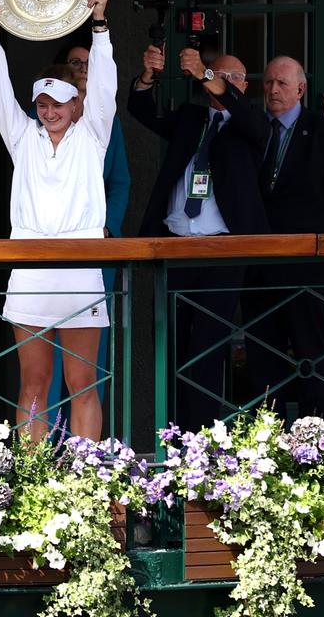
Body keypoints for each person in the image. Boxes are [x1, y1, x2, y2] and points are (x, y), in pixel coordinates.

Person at [0, 0, 115, 441]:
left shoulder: (94, 135)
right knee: (33, 383)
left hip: (80, 270)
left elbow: (105, 88)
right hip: (31, 270)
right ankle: (34, 483)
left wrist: (100, 27)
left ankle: (86, 481)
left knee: (82, 385)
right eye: (42, 103)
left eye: (58, 103)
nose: (49, 111)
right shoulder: (23, 138)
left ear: (76, 104)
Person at [127, 45, 268, 431]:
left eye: (233, 78)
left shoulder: (250, 124)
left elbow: (250, 121)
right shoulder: (191, 117)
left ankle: (200, 440)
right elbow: (141, 110)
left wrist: (207, 73)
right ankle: (172, 437)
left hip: (222, 252)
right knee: (172, 346)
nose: (226, 82)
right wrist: (147, 77)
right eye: (222, 75)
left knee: (206, 349)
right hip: (175, 246)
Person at [218, 55, 324, 418]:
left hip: (306, 265)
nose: (273, 90)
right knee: (261, 356)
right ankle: (268, 432)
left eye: (282, 83)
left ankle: (316, 436)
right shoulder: (248, 128)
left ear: (300, 89)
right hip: (257, 265)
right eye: (268, 82)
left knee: (310, 352)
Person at [44, 38, 131, 422]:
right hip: (46, 255)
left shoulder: (106, 126)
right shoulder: (40, 127)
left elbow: (120, 183)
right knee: (43, 364)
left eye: (88, 63)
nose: (81, 69)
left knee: (86, 364)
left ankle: (83, 452)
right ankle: (45, 450)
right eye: (75, 63)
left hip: (94, 252)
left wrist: (107, 229)